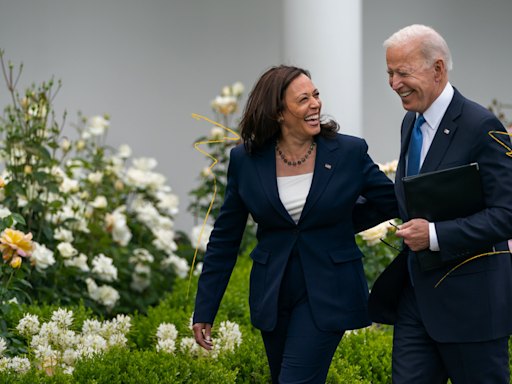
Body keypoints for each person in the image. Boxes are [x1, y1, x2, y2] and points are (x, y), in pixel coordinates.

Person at [192, 65, 398, 383]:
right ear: (278, 112)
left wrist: (341, 222)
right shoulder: (245, 161)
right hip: (272, 292)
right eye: (303, 99)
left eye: (316, 95)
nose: (315, 104)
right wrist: (205, 309)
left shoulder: (348, 152)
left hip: (329, 289)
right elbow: (225, 238)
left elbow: (391, 200)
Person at [368, 24, 512, 383]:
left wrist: (434, 235)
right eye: (389, 73)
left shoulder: (482, 126)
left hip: (472, 306)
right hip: (417, 301)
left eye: (403, 72)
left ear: (438, 69)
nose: (394, 83)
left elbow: (507, 214)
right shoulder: (409, 123)